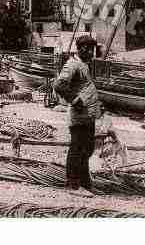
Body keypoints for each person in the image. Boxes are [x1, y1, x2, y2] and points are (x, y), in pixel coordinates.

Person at [54, 35, 100, 194]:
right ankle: (73, 184)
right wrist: (74, 100)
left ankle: (85, 184)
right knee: (77, 148)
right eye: (90, 50)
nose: (92, 53)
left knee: (87, 149)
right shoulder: (72, 65)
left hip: (88, 115)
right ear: (82, 49)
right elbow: (59, 85)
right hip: (79, 115)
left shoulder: (83, 65)